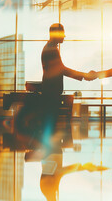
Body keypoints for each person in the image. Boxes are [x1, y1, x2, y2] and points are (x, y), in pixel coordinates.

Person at [41, 23, 95, 153]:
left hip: (50, 91)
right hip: (51, 92)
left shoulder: (51, 48)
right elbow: (62, 70)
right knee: (52, 123)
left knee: (52, 123)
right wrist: (84, 75)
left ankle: (51, 161)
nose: (64, 36)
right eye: (62, 33)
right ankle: (52, 157)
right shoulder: (52, 49)